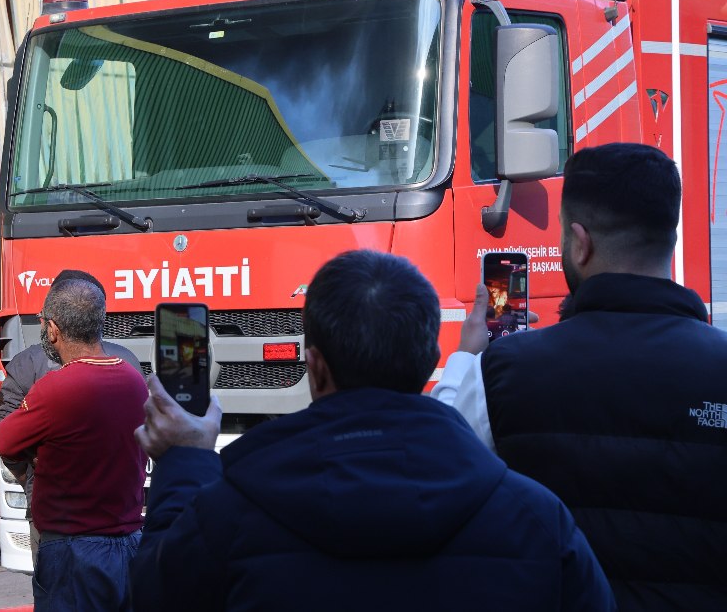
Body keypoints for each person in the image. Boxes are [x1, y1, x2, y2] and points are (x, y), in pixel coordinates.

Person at [131, 250, 613, 611]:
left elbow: (154, 593)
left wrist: (185, 458)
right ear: (429, 361)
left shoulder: (226, 515)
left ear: (314, 369)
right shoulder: (537, 519)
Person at [431, 142, 727, 610]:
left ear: (580, 242)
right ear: (669, 239)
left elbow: (433, 471)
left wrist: (467, 359)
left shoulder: (505, 372)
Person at [0, 278, 147, 612]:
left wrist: (31, 473)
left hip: (73, 550)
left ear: (52, 328)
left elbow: (4, 440)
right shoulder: (133, 378)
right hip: (129, 544)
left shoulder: (54, 389)